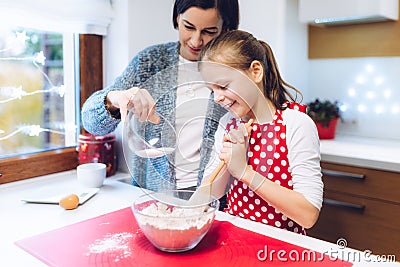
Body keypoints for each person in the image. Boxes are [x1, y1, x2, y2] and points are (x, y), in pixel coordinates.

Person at [81, 0, 240, 194]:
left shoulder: (235, 70)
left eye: (209, 32)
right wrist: (114, 99)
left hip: (216, 200)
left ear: (225, 28)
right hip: (154, 196)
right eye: (188, 27)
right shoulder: (149, 62)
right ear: (177, 19)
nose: (196, 41)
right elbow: (90, 123)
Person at [198, 30, 323, 233]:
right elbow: (209, 195)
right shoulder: (227, 123)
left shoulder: (296, 124)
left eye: (222, 86)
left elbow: (308, 215)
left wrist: (245, 172)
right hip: (236, 237)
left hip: (280, 246)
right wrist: (228, 163)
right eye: (212, 90)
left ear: (256, 71)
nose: (216, 98)